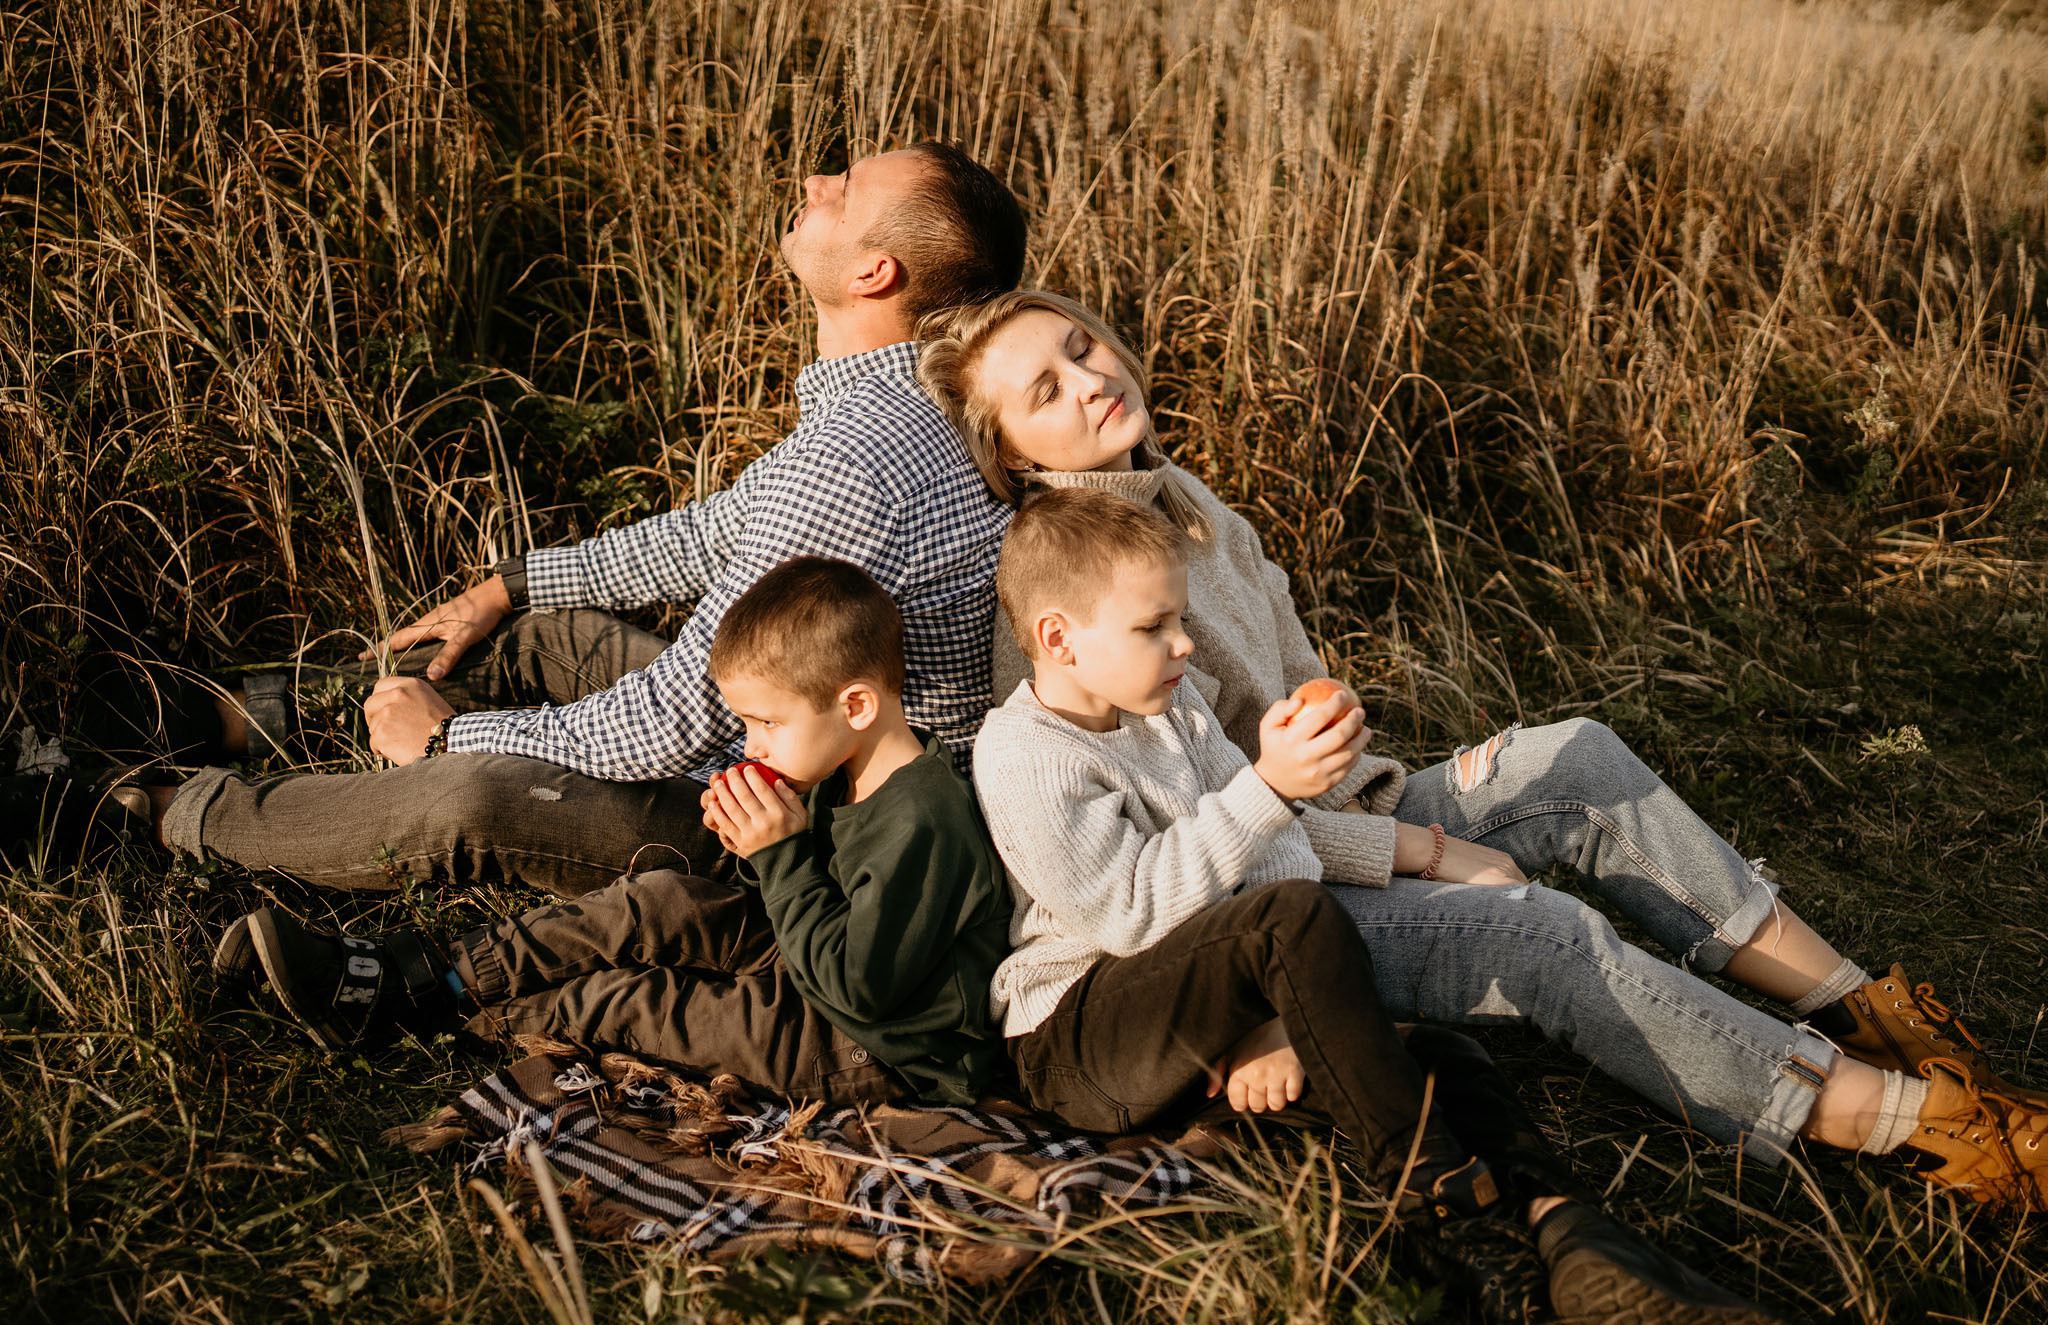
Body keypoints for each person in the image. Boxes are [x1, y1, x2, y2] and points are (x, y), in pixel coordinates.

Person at [916, 288, 2048, 1211]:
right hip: (1268, 897)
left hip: (1332, 825)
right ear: (1010, 454)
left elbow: (1277, 745)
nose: (1092, 377)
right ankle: (1894, 1122)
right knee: (1541, 930)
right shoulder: (1077, 623)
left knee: (1576, 759)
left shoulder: (1180, 501)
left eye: (1082, 345)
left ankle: (1866, 1011)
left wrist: (1393, 810)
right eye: (1046, 390)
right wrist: (1414, 852)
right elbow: (1211, 861)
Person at [57, 141, 1028, 897]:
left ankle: (151, 811)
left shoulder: (856, 460)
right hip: (769, 751)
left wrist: (451, 744)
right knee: (542, 632)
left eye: (843, 191)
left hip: (790, 828)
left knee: (472, 797)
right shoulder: (895, 407)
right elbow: (709, 534)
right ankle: (233, 715)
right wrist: (507, 585)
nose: (815, 180)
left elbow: (672, 724)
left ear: (875, 274)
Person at [974, 489, 1779, 1322]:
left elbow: (1283, 857)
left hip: (1199, 1000)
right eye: (1153, 627)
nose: (1182, 641)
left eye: (1179, 616)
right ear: (1057, 638)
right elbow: (1132, 915)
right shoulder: (1026, 753)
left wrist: (1270, 996)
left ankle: (1571, 1234)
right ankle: (1439, 1208)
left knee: (1445, 1053)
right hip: (1079, 1035)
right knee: (1294, 921)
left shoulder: (1171, 704)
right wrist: (1267, 792)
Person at [227, 558, 1013, 1107]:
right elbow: (810, 903)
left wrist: (780, 855)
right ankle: (422, 972)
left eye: (766, 724)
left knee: (638, 1003)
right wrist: (763, 847)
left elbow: (860, 986)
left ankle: (436, 1016)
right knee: (659, 899)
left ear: (858, 706)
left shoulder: (923, 821)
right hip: (808, 952)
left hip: (871, 1044)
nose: (753, 746)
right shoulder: (841, 768)